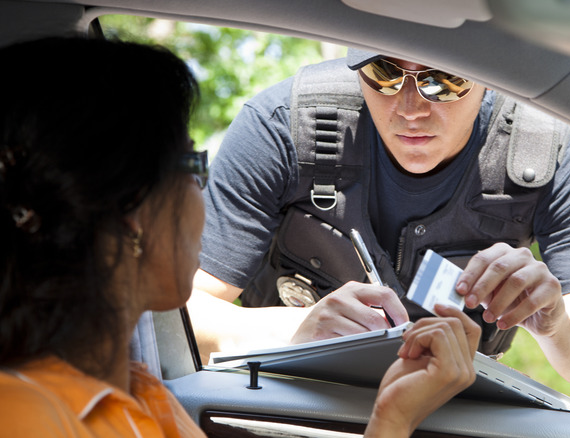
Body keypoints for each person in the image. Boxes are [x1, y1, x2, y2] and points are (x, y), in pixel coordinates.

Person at [0, 37, 479, 437]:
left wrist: (390, 416)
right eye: (192, 165)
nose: (204, 189)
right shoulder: (28, 415)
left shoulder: (139, 392)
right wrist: (392, 422)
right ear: (131, 213)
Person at [189, 49, 570, 402]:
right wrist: (295, 331)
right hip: (286, 406)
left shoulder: (558, 154)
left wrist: (556, 327)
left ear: (491, 74)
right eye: (384, 73)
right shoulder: (283, 126)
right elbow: (169, 313)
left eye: (445, 80)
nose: (411, 107)